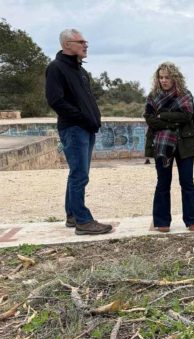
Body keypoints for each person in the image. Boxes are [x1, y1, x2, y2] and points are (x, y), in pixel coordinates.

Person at [45, 28, 112, 235]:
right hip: (74, 129)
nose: (85, 45)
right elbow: (56, 100)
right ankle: (83, 221)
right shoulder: (56, 68)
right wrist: (83, 119)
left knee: (77, 174)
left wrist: (93, 119)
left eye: (85, 41)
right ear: (67, 45)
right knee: (80, 175)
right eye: (80, 41)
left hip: (86, 128)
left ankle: (72, 216)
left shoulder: (80, 70)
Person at [143, 62, 194, 232]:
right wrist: (171, 119)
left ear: (174, 77)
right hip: (162, 145)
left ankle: (192, 221)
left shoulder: (185, 95)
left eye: (167, 77)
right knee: (163, 183)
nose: (164, 80)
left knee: (187, 182)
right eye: (161, 77)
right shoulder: (152, 96)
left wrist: (162, 115)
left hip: (184, 143)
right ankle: (162, 222)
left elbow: (187, 116)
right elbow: (150, 119)